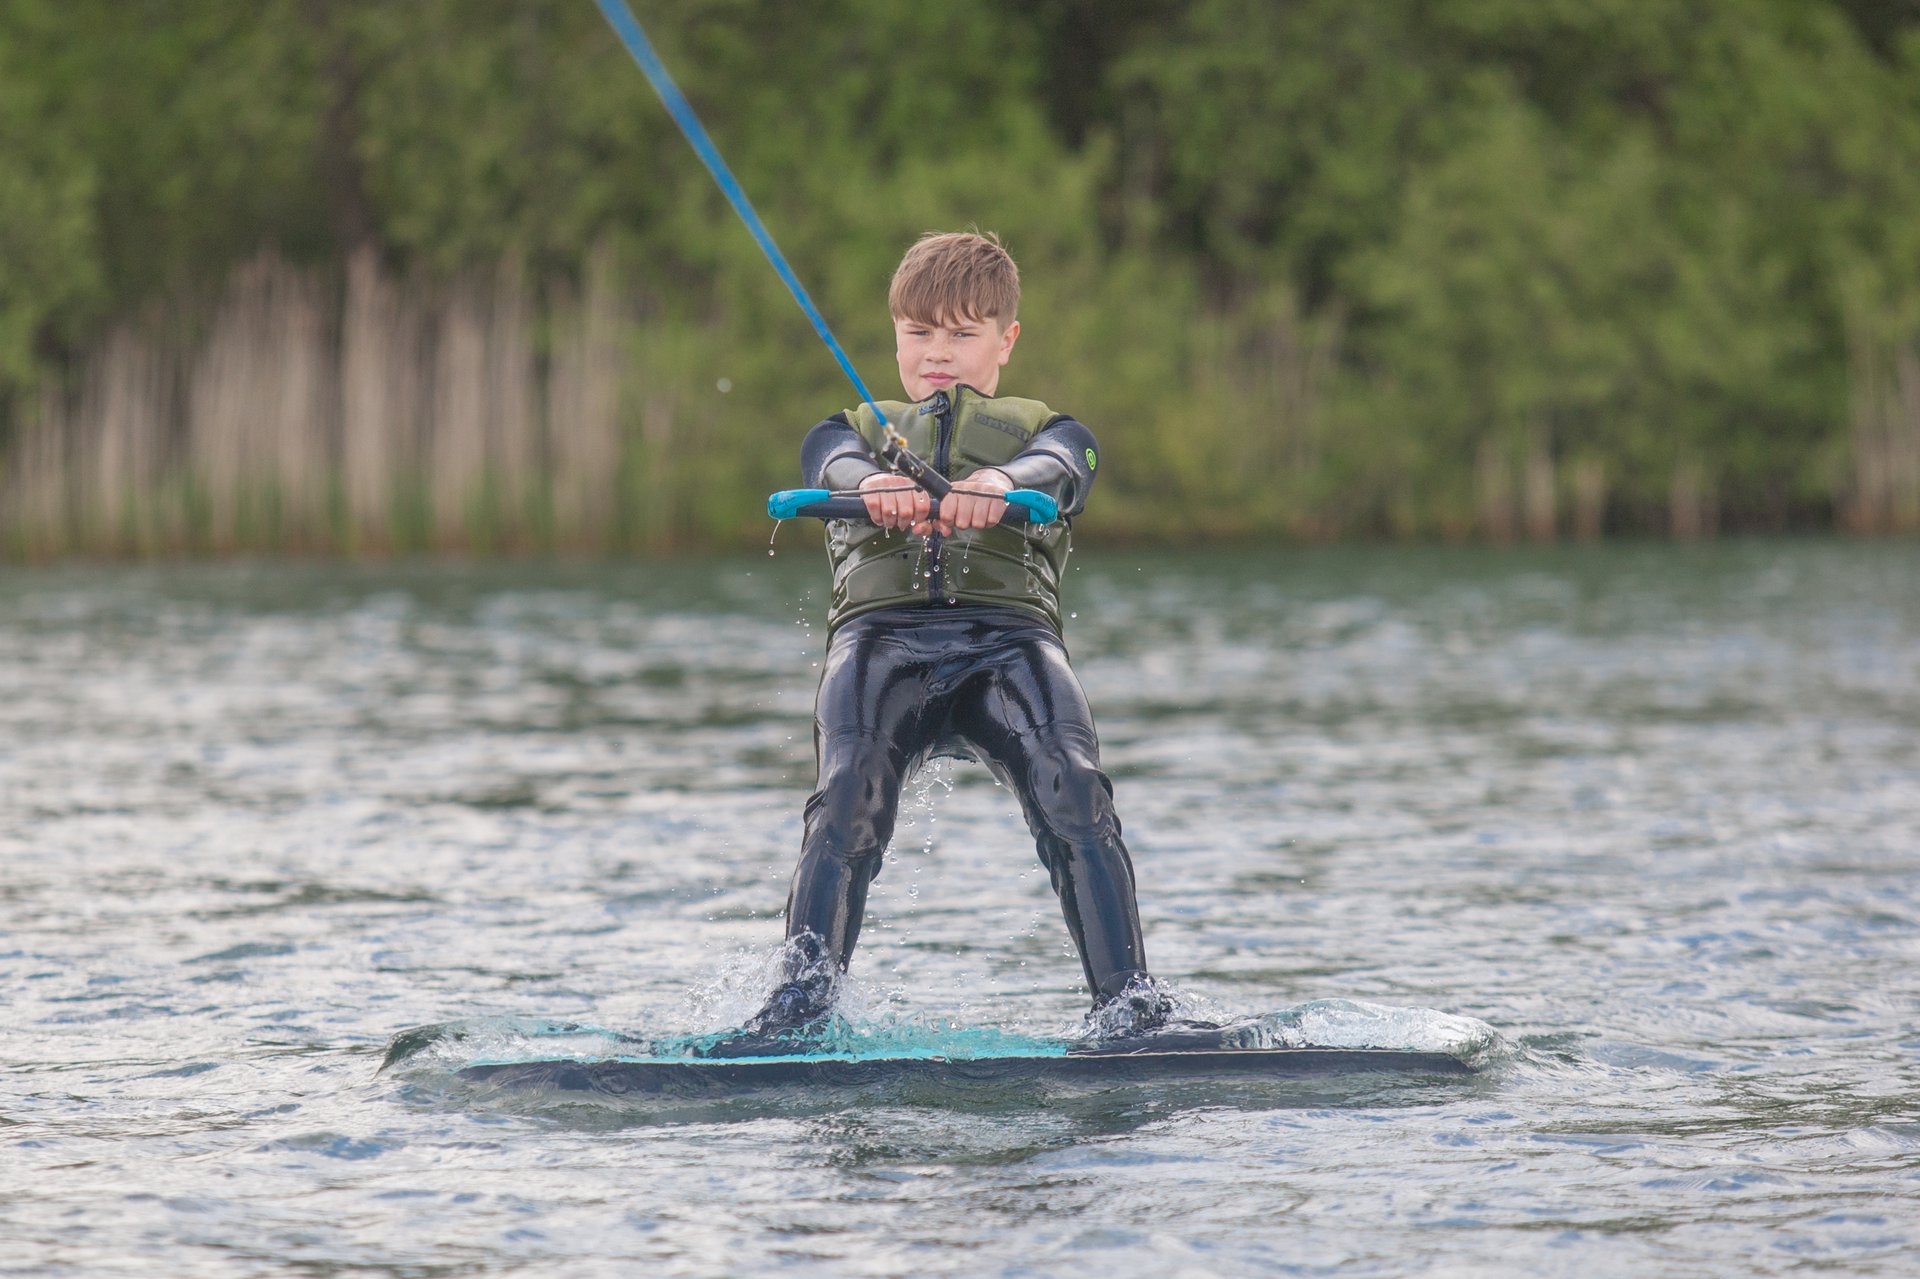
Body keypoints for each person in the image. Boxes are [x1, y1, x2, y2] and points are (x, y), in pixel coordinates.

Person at [746, 231, 1171, 1040]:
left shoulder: (1048, 428)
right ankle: (796, 1013)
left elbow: (1066, 464)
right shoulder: (854, 429)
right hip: (882, 645)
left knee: (1074, 784)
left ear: (1006, 342)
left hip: (1007, 644)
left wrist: (999, 483)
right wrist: (871, 483)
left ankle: (1131, 1008)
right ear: (895, 336)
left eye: (962, 333)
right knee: (847, 793)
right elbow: (824, 462)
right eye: (919, 334)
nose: (937, 353)